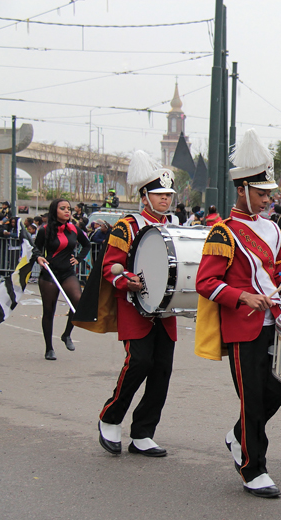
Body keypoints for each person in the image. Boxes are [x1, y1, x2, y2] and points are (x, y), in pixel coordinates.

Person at [195, 128, 281, 498]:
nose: (268, 199)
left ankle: (238, 435)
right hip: (242, 328)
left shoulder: (273, 229)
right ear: (242, 189)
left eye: (270, 193)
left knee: (278, 391)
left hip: (274, 324)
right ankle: (253, 468)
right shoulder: (222, 233)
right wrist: (242, 297)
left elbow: (277, 280)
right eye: (261, 193)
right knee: (253, 398)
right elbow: (206, 283)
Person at [97, 151, 178, 458]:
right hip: (135, 307)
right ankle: (111, 416)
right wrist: (126, 280)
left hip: (165, 311)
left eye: (168, 195)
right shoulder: (126, 226)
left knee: (162, 370)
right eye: (159, 194)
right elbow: (110, 268)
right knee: (140, 362)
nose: (165, 200)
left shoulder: (173, 226)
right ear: (144, 196)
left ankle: (143, 432)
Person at [31, 199, 90, 361]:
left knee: (78, 301)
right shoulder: (44, 230)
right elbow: (35, 249)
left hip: (67, 272)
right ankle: (49, 348)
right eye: (62, 208)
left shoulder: (74, 229)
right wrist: (39, 258)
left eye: (69, 208)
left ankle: (66, 334)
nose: (67, 211)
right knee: (49, 311)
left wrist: (78, 258)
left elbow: (87, 245)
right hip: (49, 274)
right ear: (54, 211)